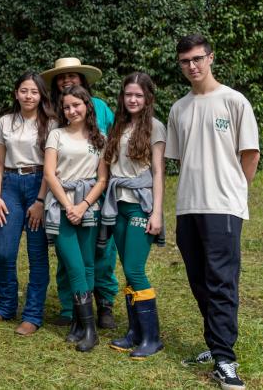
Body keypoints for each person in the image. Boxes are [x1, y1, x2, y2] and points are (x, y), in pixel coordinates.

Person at [166, 35, 259, 390]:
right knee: (199, 280)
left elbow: (249, 154)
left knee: (221, 281)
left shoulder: (234, 101)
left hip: (223, 206)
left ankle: (225, 360)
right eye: (185, 61)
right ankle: (215, 344)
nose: (192, 65)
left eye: (197, 58)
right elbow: (179, 158)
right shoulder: (179, 108)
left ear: (211, 58)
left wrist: (236, 190)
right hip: (188, 205)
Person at [41, 57, 119, 328]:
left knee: (100, 254)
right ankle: (71, 309)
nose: (66, 80)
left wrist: (86, 203)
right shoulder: (54, 119)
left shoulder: (100, 110)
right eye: (61, 77)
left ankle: (104, 302)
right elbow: (50, 170)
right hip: (64, 197)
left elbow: (106, 157)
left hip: (92, 197)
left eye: (72, 75)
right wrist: (64, 203)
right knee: (69, 259)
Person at [0, 72, 55, 335]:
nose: (29, 96)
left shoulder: (51, 123)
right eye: (24, 90)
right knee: (5, 252)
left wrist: (41, 201)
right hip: (10, 185)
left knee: (36, 254)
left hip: (38, 185)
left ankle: (32, 315)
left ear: (41, 94)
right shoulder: (5, 122)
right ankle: (5, 306)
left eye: (34, 91)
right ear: (16, 93)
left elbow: (51, 167)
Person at [101, 72, 166, 358]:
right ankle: (134, 332)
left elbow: (159, 174)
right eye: (129, 94)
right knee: (127, 269)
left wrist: (157, 213)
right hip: (118, 205)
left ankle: (152, 337)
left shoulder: (155, 127)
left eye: (139, 95)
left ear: (148, 98)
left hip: (141, 205)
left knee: (136, 269)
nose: (133, 99)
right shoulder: (118, 126)